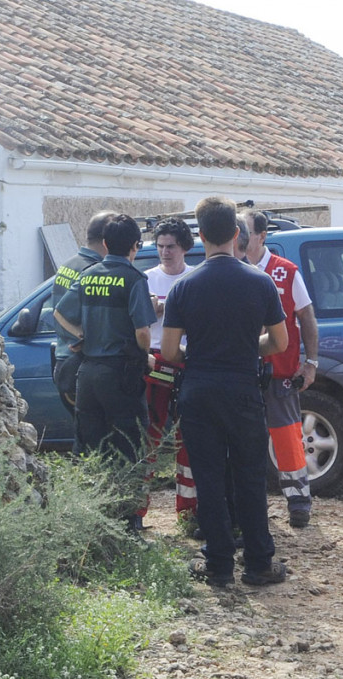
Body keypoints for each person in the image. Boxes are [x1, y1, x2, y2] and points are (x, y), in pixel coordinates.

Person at [161, 196, 289, 588]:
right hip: (242, 388)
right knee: (250, 475)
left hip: (199, 389)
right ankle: (259, 563)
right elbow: (280, 342)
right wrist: (249, 348)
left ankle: (218, 565)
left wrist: (197, 355)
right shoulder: (260, 281)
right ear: (237, 235)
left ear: (199, 237)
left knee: (209, 476)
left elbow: (168, 351)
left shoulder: (184, 286)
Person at [54, 214, 157, 529]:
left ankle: (90, 517)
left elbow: (58, 313)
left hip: (88, 374)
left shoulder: (87, 275)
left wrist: (81, 336)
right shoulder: (134, 279)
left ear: (106, 244)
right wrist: (145, 356)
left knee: (90, 444)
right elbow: (142, 333)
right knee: (129, 444)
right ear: (135, 247)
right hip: (121, 375)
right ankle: (128, 523)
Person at [242, 209, 320, 528]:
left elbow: (307, 318)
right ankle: (251, 502)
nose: (239, 236)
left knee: (287, 438)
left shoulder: (285, 272)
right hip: (243, 374)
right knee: (246, 441)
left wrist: (311, 362)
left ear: (261, 235)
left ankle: (298, 501)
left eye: (244, 230)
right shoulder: (235, 271)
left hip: (279, 374)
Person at [142, 218, 198, 520]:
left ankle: (188, 511)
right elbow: (133, 324)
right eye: (160, 246)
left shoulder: (194, 278)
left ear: (185, 248)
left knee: (187, 436)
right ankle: (137, 510)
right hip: (153, 360)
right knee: (147, 435)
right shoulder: (146, 279)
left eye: (171, 247)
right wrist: (150, 310)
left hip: (187, 360)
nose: (165, 252)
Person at [51, 210, 112, 414]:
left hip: (65, 360)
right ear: (107, 240)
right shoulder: (94, 270)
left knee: (85, 433)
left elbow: (58, 312)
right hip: (81, 362)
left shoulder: (69, 264)